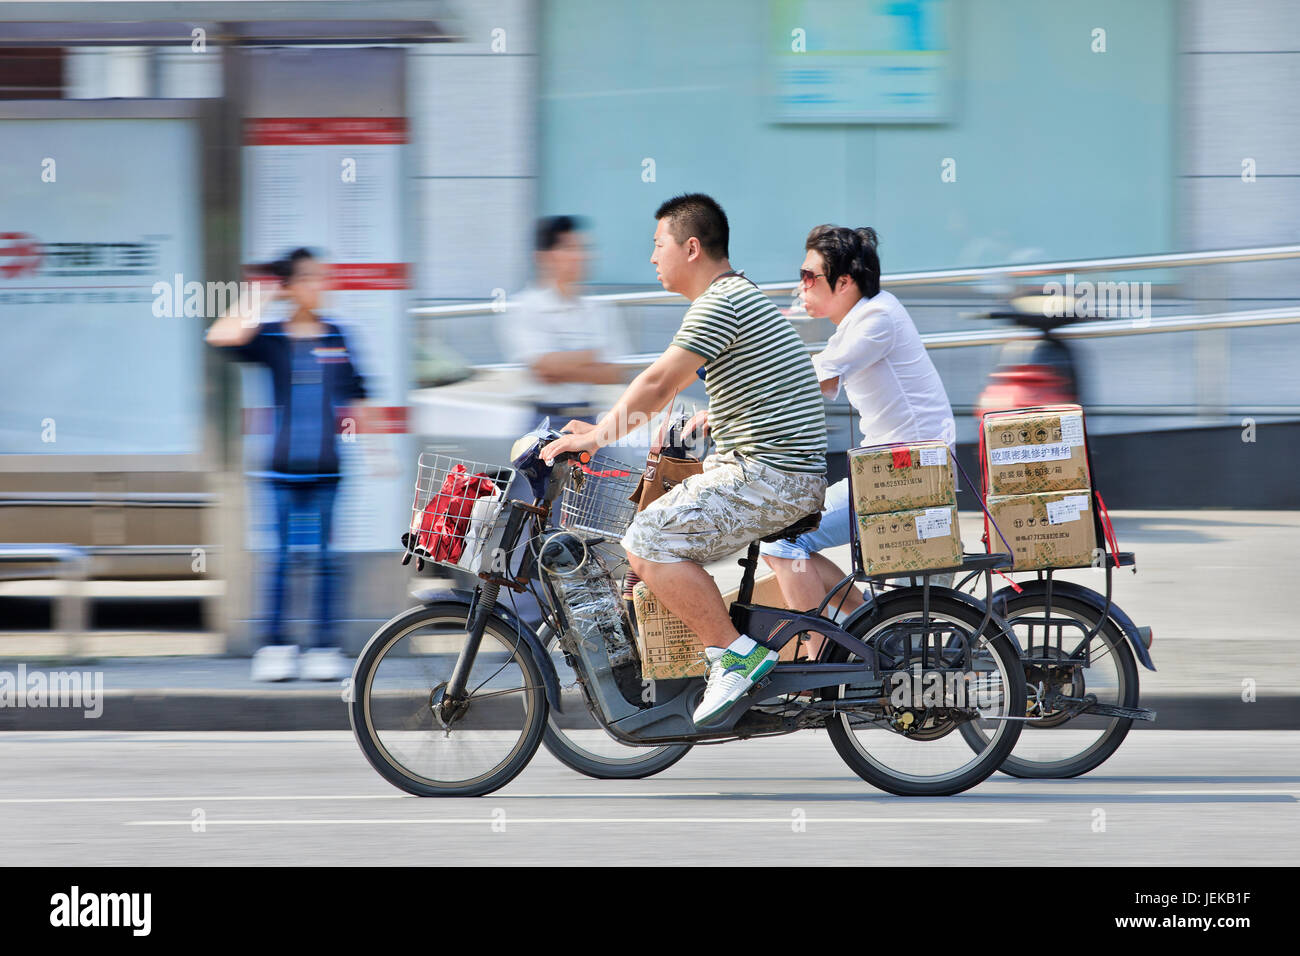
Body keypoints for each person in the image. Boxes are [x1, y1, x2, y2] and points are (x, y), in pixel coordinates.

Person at [541, 194, 827, 726]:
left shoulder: (722, 302)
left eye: (658, 245)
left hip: (772, 477)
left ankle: (736, 655)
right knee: (659, 527)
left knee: (647, 539)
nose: (652, 258)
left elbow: (659, 381)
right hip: (773, 471)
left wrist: (600, 437)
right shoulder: (735, 298)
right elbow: (671, 393)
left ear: (691, 248)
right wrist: (603, 427)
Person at [760, 226, 957, 657]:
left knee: (782, 540)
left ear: (845, 281)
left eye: (809, 276)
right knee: (790, 540)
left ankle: (818, 660)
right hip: (895, 470)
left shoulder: (876, 320)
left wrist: (726, 413)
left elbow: (803, 381)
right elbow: (809, 383)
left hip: (907, 474)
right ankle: (869, 633)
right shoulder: (862, 319)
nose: (801, 285)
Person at [206, 248, 373, 682]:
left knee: (325, 559)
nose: (321, 285)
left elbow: (357, 395)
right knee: (280, 559)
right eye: (311, 278)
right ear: (292, 286)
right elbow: (221, 336)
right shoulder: (272, 337)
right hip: (279, 470)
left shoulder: (337, 336)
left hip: (327, 470)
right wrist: (261, 293)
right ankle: (276, 646)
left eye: (322, 277)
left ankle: (322, 647)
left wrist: (376, 453)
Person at [499, 215, 630, 426]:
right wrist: (592, 355)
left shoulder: (599, 309)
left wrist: (560, 367)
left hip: (591, 418)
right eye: (569, 248)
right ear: (543, 256)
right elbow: (543, 368)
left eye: (582, 248)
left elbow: (613, 373)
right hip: (545, 420)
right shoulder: (526, 306)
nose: (580, 256)